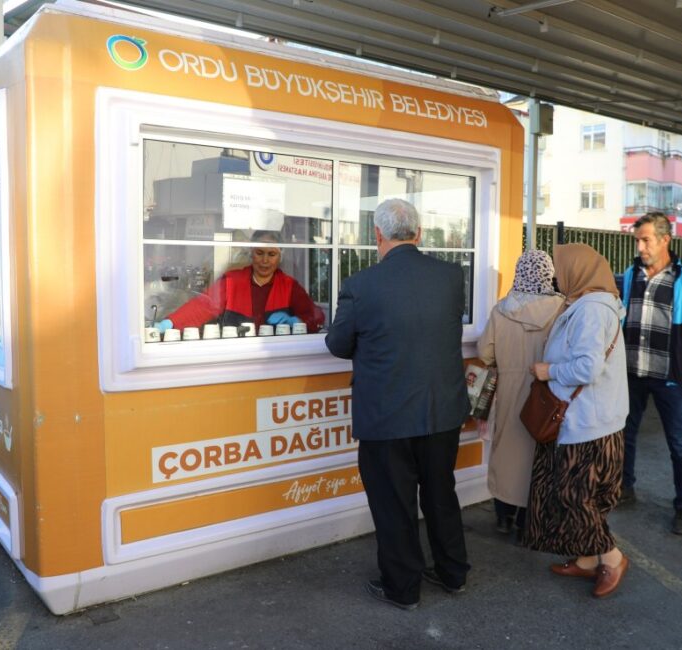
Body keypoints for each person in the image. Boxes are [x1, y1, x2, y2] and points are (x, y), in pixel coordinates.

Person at [325, 199, 471, 610]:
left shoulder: (361, 284)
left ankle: (403, 587)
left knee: (394, 505)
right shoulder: (450, 276)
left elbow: (338, 345)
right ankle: (453, 572)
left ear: (377, 236)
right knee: (441, 493)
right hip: (441, 410)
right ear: (419, 233)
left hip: (388, 415)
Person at [524, 243, 630, 599]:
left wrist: (547, 370)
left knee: (572, 496)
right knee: (587, 495)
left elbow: (588, 367)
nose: (556, 275)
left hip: (586, 421)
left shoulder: (590, 311)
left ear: (577, 271)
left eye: (561, 268)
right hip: (599, 417)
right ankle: (587, 559)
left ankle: (612, 558)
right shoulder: (594, 304)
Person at [619, 212, 682, 536]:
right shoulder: (631, 275)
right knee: (625, 434)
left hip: (668, 375)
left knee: (679, 442)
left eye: (646, 240)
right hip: (632, 371)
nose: (640, 246)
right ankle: (624, 488)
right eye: (638, 240)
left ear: (665, 239)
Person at [476, 250, 564, 538]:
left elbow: (484, 353)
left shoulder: (502, 309)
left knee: (506, 451)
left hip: (509, 390)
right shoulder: (562, 308)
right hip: (546, 393)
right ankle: (528, 520)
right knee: (537, 451)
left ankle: (503, 516)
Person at [157, 230, 324, 334]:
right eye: (259, 252)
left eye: (271, 254)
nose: (265, 260)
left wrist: (297, 320)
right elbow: (203, 306)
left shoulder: (289, 286)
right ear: (251, 253)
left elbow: (316, 317)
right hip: (237, 359)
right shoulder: (232, 281)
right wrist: (172, 322)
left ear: (280, 257)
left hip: (275, 360)